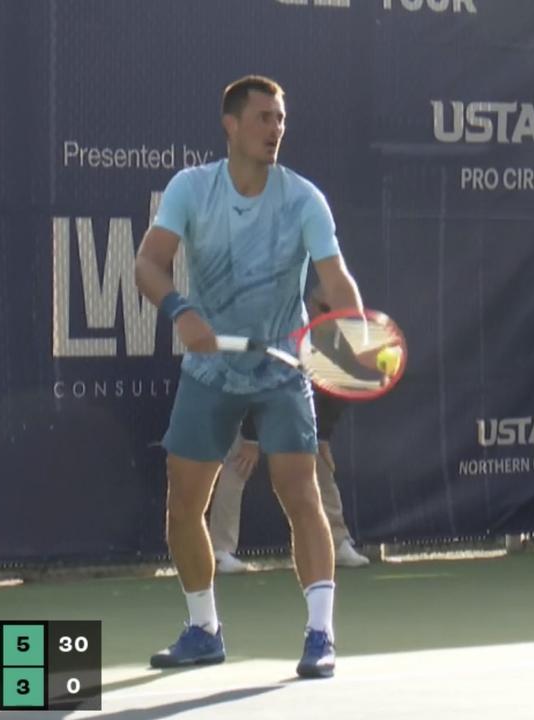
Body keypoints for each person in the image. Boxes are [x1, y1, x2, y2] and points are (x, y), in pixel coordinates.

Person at [134, 74, 366, 679]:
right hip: (209, 369)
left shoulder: (303, 198)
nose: (275, 129)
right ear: (231, 125)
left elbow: (334, 278)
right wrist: (181, 311)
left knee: (301, 494)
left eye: (281, 119)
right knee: (184, 506)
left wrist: (352, 327)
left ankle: (321, 635)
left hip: (282, 367)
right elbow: (148, 264)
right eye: (264, 118)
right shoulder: (191, 188)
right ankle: (203, 629)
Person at [210, 292, 371, 572]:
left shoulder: (342, 345)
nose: (338, 320)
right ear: (314, 307)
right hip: (248, 398)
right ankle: (219, 551)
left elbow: (335, 396)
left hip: (293, 409)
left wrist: (321, 438)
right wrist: (250, 438)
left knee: (319, 468)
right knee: (238, 463)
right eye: (330, 310)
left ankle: (338, 543)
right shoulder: (281, 330)